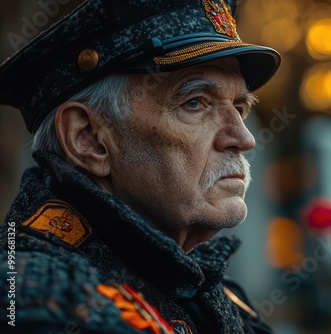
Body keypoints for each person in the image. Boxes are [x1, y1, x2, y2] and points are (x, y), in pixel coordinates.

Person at [0, 0, 280, 333]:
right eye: (194, 103)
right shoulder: (37, 297)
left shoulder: (210, 294)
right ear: (88, 139)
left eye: (239, 106)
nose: (244, 138)